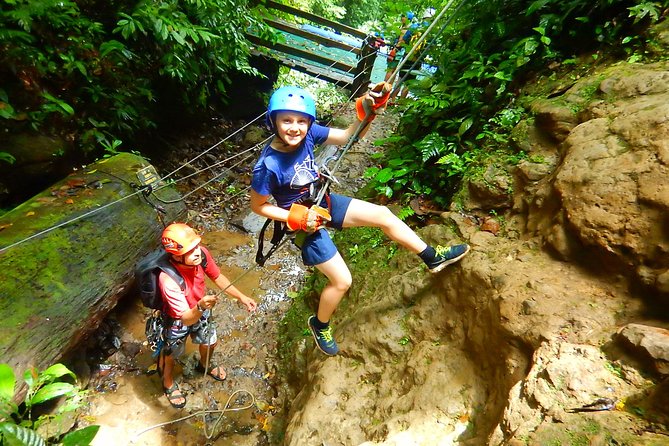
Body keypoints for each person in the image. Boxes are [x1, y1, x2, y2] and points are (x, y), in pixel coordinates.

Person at [250, 85, 470, 357]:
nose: (294, 127)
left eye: (301, 121)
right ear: (273, 121)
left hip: (324, 203)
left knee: (384, 215)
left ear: (309, 122)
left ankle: (431, 256)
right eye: (286, 120)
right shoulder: (267, 166)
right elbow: (258, 206)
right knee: (342, 281)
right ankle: (320, 324)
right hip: (304, 224)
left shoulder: (308, 135)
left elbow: (345, 137)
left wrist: (366, 111)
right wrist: (294, 215)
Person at [157, 223, 257, 408]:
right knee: (171, 352)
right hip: (178, 318)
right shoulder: (168, 280)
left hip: (200, 308)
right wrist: (201, 307)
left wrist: (241, 297)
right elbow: (186, 318)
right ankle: (168, 382)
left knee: (211, 341)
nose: (197, 252)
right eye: (190, 250)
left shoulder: (201, 254)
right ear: (176, 254)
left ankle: (204, 365)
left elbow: (217, 276)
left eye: (196, 246)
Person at [388, 8, 435, 102]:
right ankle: (400, 103)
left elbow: (404, 40)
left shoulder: (415, 26)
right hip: (418, 59)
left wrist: (396, 49)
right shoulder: (431, 32)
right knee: (409, 83)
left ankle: (392, 100)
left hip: (407, 56)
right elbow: (430, 48)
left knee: (400, 79)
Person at [384, 11, 414, 84]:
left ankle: (384, 87)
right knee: (393, 70)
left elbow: (401, 41)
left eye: (404, 16)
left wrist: (395, 49)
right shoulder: (407, 27)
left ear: (408, 19)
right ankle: (387, 88)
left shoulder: (407, 28)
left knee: (390, 69)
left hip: (399, 50)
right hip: (402, 50)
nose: (402, 18)